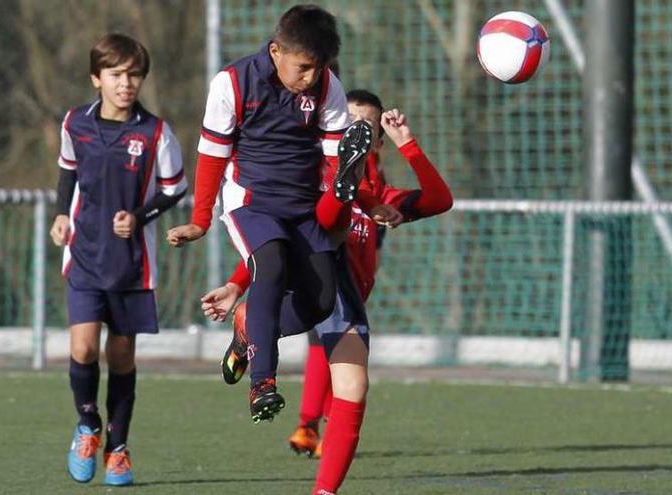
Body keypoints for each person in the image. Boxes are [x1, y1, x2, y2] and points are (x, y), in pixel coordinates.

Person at [202, 90, 453, 494]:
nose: (353, 131)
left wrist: (409, 144)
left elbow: (441, 199)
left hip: (347, 300)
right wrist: (237, 283)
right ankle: (256, 327)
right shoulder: (308, 179)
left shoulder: (382, 199)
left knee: (354, 389)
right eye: (347, 124)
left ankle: (324, 491)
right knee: (327, 216)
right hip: (311, 280)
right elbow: (273, 238)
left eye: (364, 128)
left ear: (375, 142)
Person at [166, 4, 383, 423]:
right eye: (303, 67)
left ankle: (250, 326)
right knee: (272, 263)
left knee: (320, 301)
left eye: (318, 69)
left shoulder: (328, 89)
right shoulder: (232, 82)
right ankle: (262, 382)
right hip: (252, 202)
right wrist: (201, 219)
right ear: (275, 51)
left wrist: (344, 188)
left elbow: (333, 159)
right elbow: (212, 154)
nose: (310, 78)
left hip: (303, 205)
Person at [51, 33, 187, 486]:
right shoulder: (75, 123)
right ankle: (87, 426)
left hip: (131, 263)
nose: (126, 84)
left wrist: (142, 215)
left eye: (133, 75)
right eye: (116, 75)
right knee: (84, 347)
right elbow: (68, 171)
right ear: (97, 79)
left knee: (122, 355)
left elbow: (174, 187)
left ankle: (119, 447)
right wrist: (59, 215)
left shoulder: (154, 132)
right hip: (85, 255)